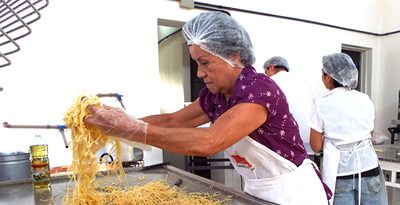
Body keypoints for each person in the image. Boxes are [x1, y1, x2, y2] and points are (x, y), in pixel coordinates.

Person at [85, 11, 331, 205]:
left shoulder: (258, 89)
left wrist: (130, 130)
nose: (200, 73)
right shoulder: (216, 95)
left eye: (205, 63)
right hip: (257, 191)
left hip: (295, 195)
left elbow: (210, 142)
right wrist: (114, 123)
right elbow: (173, 121)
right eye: (196, 64)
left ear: (234, 57)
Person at [309, 53, 388, 205]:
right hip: (369, 168)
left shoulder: (321, 104)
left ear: (329, 77)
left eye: (322, 73)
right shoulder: (364, 99)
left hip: (341, 173)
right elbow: (369, 134)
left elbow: (316, 145)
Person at [263, 56, 317, 146]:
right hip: (307, 143)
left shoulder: (269, 83)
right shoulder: (305, 83)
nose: (266, 75)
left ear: (271, 67)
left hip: (280, 144)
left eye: (266, 72)